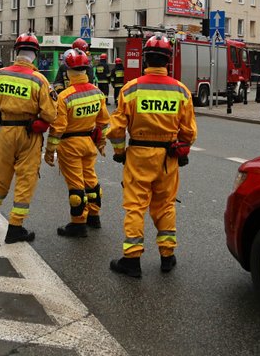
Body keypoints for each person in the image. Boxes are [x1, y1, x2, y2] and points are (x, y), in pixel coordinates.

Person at [107, 34, 198, 278]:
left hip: (138, 155)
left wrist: (119, 153)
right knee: (165, 205)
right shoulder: (181, 91)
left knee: (136, 206)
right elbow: (189, 131)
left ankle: (132, 260)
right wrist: (183, 150)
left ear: (146, 59)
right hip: (168, 157)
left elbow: (115, 130)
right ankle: (167, 256)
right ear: (168, 61)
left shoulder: (131, 89)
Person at [0, 33, 57, 244]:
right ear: (36, 54)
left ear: (16, 52)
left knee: (0, 174)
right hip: (29, 133)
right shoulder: (39, 80)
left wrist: (3, 115)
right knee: (26, 178)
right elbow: (51, 115)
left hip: (6, 131)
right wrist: (39, 122)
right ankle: (15, 228)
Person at [44, 48, 110, 237]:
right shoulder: (97, 93)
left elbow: (58, 128)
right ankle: (94, 216)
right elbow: (103, 122)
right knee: (91, 179)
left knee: (76, 185)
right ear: (86, 69)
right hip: (89, 142)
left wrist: (50, 151)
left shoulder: (65, 96)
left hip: (70, 145)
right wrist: (102, 143)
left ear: (67, 71)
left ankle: (78, 224)